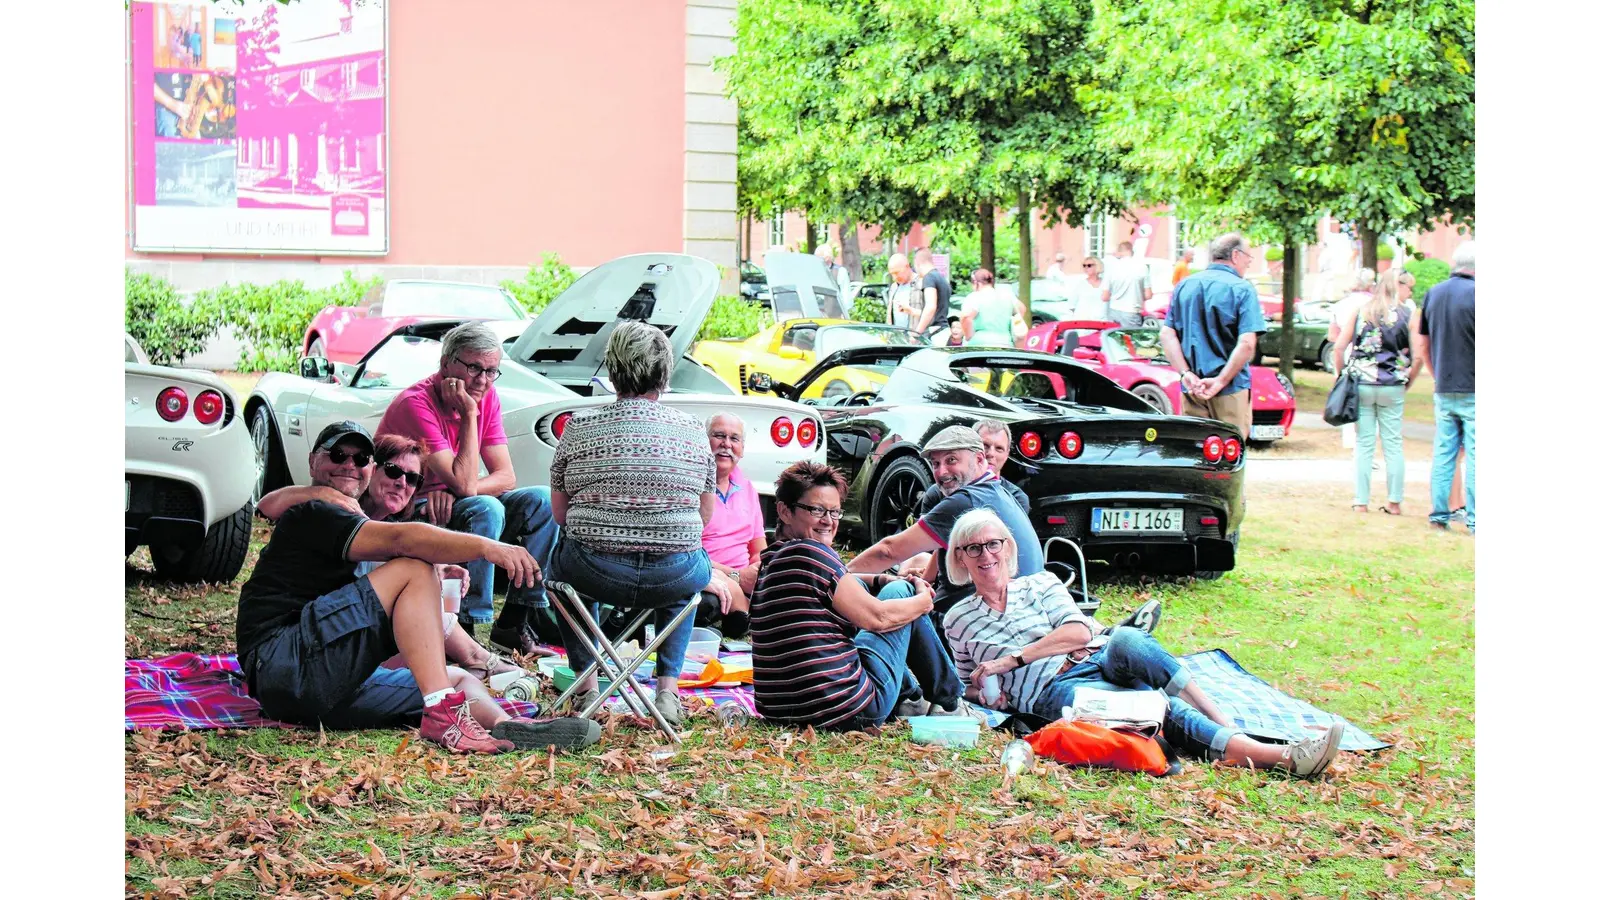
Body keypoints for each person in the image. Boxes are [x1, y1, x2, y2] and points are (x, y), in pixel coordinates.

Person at [236, 422, 599, 754]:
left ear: (369, 466)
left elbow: (386, 623)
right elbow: (401, 541)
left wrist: (437, 586)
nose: (349, 464)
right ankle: (444, 715)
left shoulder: (356, 518)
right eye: (337, 455)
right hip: (284, 662)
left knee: (450, 679)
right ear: (314, 462)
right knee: (413, 567)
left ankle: (509, 728)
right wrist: (488, 547)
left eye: (360, 457)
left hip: (312, 683)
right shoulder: (313, 511)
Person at [944, 509, 1343, 778]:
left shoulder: (1041, 583)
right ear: (960, 558)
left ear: (1008, 548)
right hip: (1055, 690)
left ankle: (1220, 718)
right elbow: (969, 687)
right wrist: (987, 695)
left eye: (993, 543)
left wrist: (1010, 661)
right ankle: (1287, 757)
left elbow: (1079, 632)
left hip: (1097, 654)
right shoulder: (957, 620)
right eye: (973, 548)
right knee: (1158, 709)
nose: (985, 555)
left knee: (1130, 639)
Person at [547, 322, 725, 726]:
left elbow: (560, 515)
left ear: (612, 372)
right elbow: (704, 517)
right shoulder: (694, 432)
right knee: (689, 568)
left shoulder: (579, 427)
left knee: (563, 566)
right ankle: (667, 692)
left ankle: (587, 687)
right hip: (672, 575)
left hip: (594, 572)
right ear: (665, 373)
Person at [256, 434, 529, 685]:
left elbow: (390, 556)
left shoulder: (389, 524)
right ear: (373, 470)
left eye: (413, 479)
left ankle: (470, 664)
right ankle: (476, 659)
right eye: (394, 471)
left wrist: (438, 570)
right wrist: (315, 491)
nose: (402, 483)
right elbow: (266, 506)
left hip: (338, 638)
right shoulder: (334, 509)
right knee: (415, 571)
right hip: (305, 644)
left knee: (422, 578)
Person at [375, 322, 560, 657]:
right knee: (487, 509)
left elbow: (506, 477)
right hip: (408, 510)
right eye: (475, 367)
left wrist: (462, 490)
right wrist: (470, 416)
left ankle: (513, 623)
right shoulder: (416, 403)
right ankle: (466, 629)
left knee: (541, 502)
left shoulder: (487, 398)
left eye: (492, 371)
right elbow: (464, 482)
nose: (483, 380)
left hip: (452, 502)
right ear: (447, 363)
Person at [748, 462, 977, 728]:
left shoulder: (772, 560)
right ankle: (949, 703)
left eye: (834, 512)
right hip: (847, 709)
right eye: (817, 510)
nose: (828, 521)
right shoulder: (813, 552)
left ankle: (910, 699)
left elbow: (843, 581)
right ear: (784, 511)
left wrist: (882, 578)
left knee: (894, 588)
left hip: (781, 710)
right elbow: (878, 618)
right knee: (901, 593)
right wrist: (923, 602)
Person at [847, 425, 1044, 624]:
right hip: (1018, 616)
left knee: (898, 592)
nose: (942, 472)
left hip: (985, 625)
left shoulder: (967, 501)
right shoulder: (1000, 491)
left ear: (979, 459)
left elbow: (889, 551)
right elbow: (938, 548)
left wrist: (836, 578)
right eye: (935, 464)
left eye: (951, 460)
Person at [1158, 233, 1267, 441]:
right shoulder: (1242, 289)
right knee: (1229, 454)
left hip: (1192, 387)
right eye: (1248, 257)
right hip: (1230, 388)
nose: (1248, 263)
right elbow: (1246, 344)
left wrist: (1185, 373)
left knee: (1197, 452)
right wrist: (1220, 381)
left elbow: (1167, 333)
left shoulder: (1185, 285)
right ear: (1235, 255)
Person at [1332, 270, 1420, 515]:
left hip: (1363, 383)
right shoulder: (1407, 314)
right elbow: (1419, 355)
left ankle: (1361, 501)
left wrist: (1342, 376)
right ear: (1398, 286)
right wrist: (1408, 380)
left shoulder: (1361, 312)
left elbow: (1339, 348)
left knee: (1364, 444)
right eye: (1408, 287)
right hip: (1393, 385)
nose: (1410, 292)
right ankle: (1394, 502)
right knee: (1393, 444)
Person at [1414, 241, 1475, 534]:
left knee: (1444, 452)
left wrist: (1436, 373)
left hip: (1445, 386)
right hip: (1474, 387)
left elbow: (1422, 344)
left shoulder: (1433, 293)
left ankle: (1439, 515)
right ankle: (1475, 519)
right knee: (1475, 455)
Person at [698, 413, 767, 637]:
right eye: (719, 436)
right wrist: (735, 577)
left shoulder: (747, 488)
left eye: (734, 439)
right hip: (705, 575)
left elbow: (758, 550)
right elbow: (684, 551)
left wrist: (761, 573)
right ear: (704, 441)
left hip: (744, 581)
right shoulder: (691, 486)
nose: (726, 444)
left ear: (742, 448)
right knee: (709, 602)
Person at [960, 268, 1025, 348]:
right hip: (1005, 343)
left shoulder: (975, 297)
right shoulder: (1007, 296)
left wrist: (969, 335)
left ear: (977, 283)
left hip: (980, 344)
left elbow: (966, 317)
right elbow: (1022, 309)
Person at [1100, 242, 1152, 329]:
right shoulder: (1142, 267)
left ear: (1119, 252)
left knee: (1114, 340)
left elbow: (1105, 297)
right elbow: (1148, 295)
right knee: (1131, 340)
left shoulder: (1111, 268)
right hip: (1132, 311)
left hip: (1113, 311)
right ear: (1132, 251)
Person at [912, 248, 952, 341]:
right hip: (944, 330)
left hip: (934, 332)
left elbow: (930, 307)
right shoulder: (942, 279)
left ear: (917, 262)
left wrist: (917, 333)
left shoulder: (929, 278)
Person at [885, 253, 923, 329]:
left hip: (916, 336)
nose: (895, 277)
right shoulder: (894, 287)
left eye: (897, 273)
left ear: (907, 267)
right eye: (892, 274)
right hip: (897, 337)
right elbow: (889, 315)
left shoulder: (921, 283)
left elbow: (929, 314)